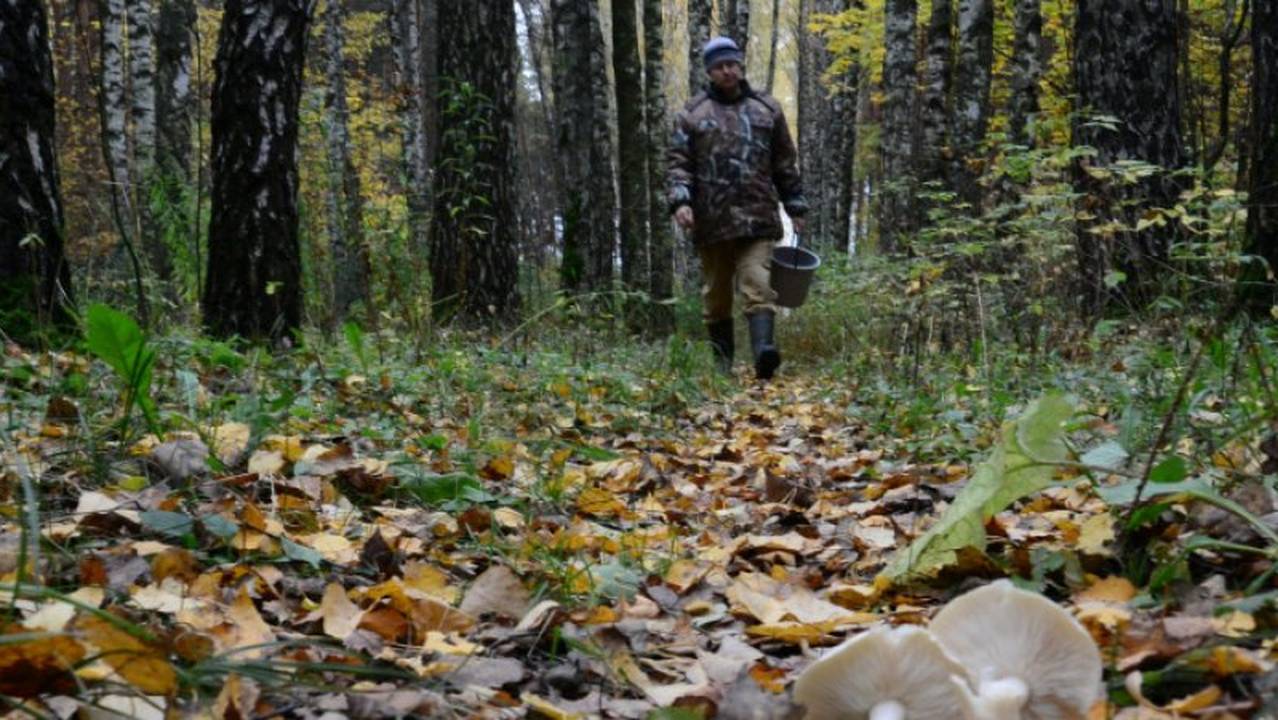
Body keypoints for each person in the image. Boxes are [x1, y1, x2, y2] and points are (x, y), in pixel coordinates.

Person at [668, 36, 808, 380]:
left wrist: (795, 203)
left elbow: (784, 162)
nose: (727, 71)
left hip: (758, 217)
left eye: (731, 64)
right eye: (719, 66)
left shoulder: (767, 109)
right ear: (709, 72)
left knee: (758, 283)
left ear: (740, 65)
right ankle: (722, 368)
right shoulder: (691, 114)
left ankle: (764, 355)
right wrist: (681, 200)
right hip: (711, 221)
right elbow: (677, 163)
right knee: (716, 297)